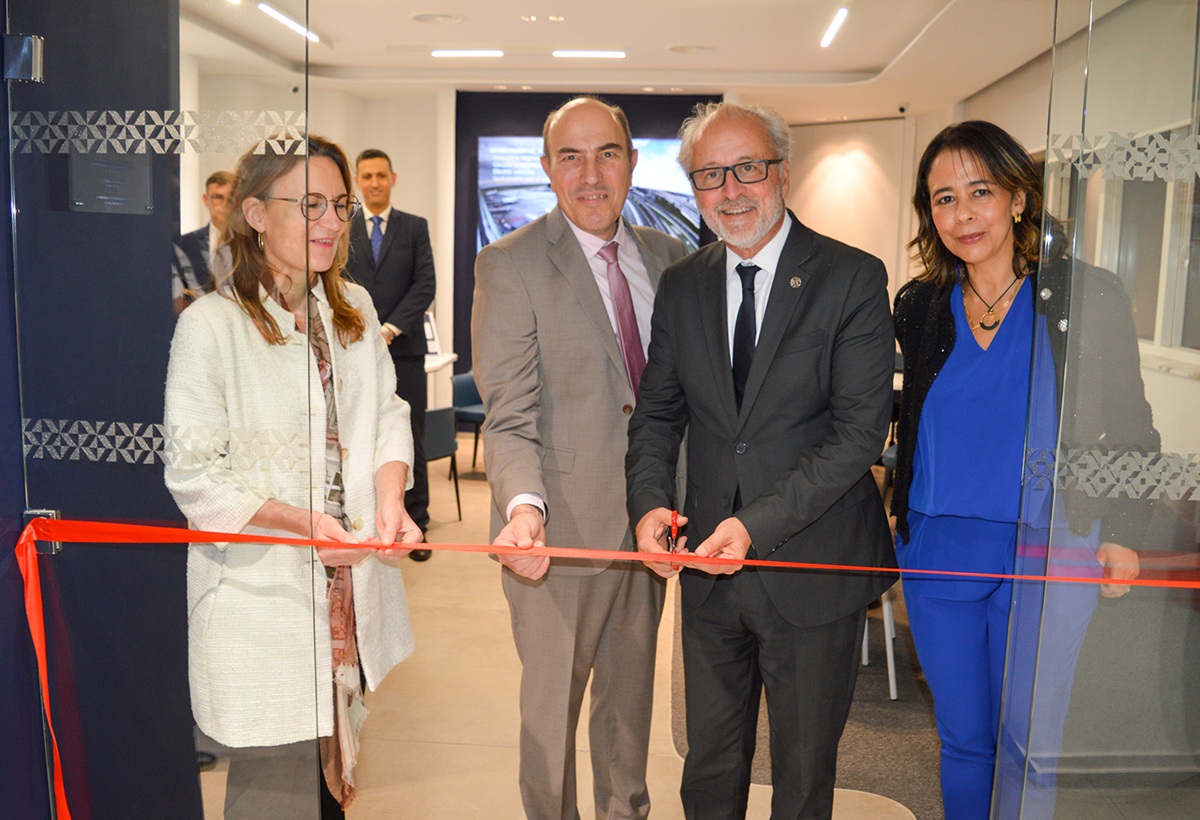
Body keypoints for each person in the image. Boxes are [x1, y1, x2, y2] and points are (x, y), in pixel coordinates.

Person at [626, 101, 896, 818]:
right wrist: (650, 504)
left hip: (812, 563)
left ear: (782, 170)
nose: (731, 189)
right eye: (710, 175)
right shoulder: (682, 285)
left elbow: (859, 432)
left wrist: (753, 525)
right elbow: (657, 413)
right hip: (709, 574)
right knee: (709, 764)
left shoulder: (850, 277)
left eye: (747, 167)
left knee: (804, 772)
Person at [890, 120, 1158, 818]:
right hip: (940, 554)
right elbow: (907, 422)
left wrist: (1122, 530)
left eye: (980, 191)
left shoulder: (1085, 297)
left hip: (1051, 549)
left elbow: (1131, 425)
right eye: (943, 198)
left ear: (1017, 196)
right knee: (965, 742)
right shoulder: (919, 307)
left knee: (1029, 746)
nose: (963, 213)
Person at [164, 134, 421, 818]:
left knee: (330, 787)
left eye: (339, 205)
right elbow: (196, 477)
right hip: (262, 594)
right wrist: (306, 524)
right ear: (253, 213)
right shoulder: (211, 327)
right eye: (311, 205)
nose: (334, 222)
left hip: (347, 590)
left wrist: (391, 498)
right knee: (271, 794)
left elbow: (389, 413)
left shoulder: (353, 310)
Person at [471, 95, 687, 819]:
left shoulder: (671, 259)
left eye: (607, 154)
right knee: (550, 725)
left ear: (631, 163)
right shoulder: (510, 264)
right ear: (546, 168)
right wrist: (524, 508)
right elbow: (509, 414)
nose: (590, 173)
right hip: (557, 534)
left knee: (628, 721)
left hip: (651, 528)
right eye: (571, 156)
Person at [348, 149, 437, 560]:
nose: (374, 183)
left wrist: (388, 327)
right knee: (360, 433)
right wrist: (365, 330)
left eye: (381, 175)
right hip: (354, 349)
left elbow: (425, 285)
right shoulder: (343, 226)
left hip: (403, 350)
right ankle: (369, 518)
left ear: (393, 178)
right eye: (366, 176)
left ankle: (416, 522)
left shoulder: (414, 228)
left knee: (409, 435)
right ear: (358, 180)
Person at [179, 169, 235, 290]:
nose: (225, 204)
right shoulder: (185, 244)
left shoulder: (250, 243)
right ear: (206, 200)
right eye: (218, 197)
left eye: (230, 198)